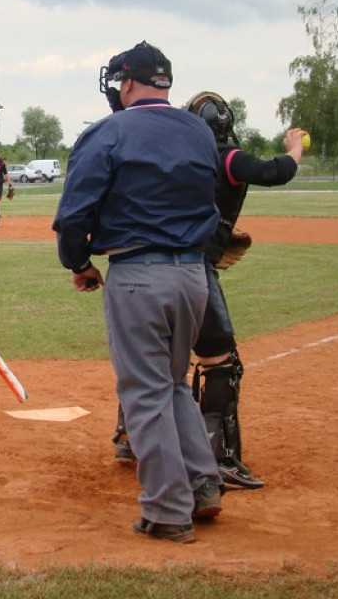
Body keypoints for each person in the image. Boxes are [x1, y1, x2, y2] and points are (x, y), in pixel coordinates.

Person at [53, 41, 223, 544]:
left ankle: (168, 510)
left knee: (145, 392)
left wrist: (79, 263)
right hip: (194, 276)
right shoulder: (198, 130)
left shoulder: (108, 131)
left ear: (127, 83)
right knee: (172, 385)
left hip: (137, 272)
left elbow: (74, 215)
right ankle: (202, 484)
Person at [113, 92, 306, 490]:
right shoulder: (226, 156)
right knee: (220, 363)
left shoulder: (174, 152)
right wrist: (294, 148)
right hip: (194, 269)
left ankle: (131, 436)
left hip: (152, 264)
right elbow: (276, 172)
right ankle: (219, 459)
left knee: (158, 358)